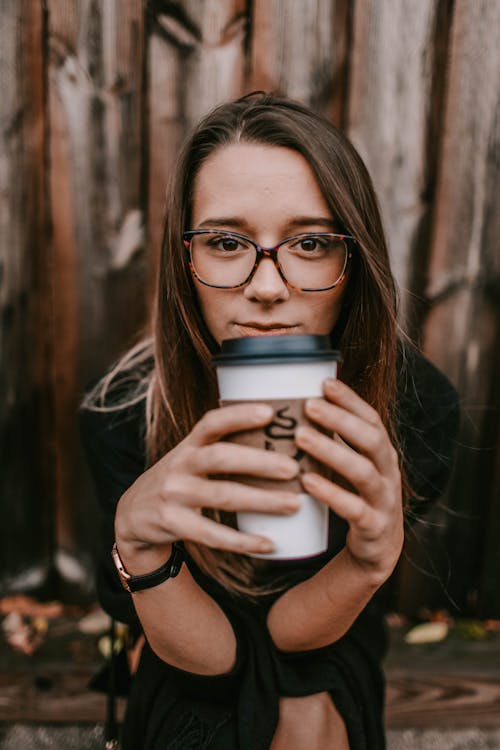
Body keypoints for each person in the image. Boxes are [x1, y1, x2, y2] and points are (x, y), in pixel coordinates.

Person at [80, 92, 460, 750]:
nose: (266, 286)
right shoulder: (123, 412)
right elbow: (210, 661)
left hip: (328, 629)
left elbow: (293, 634)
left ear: (353, 261)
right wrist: (139, 547)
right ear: (184, 262)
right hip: (182, 641)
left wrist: (365, 565)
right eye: (227, 242)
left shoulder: (413, 406)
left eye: (310, 242)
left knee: (309, 724)